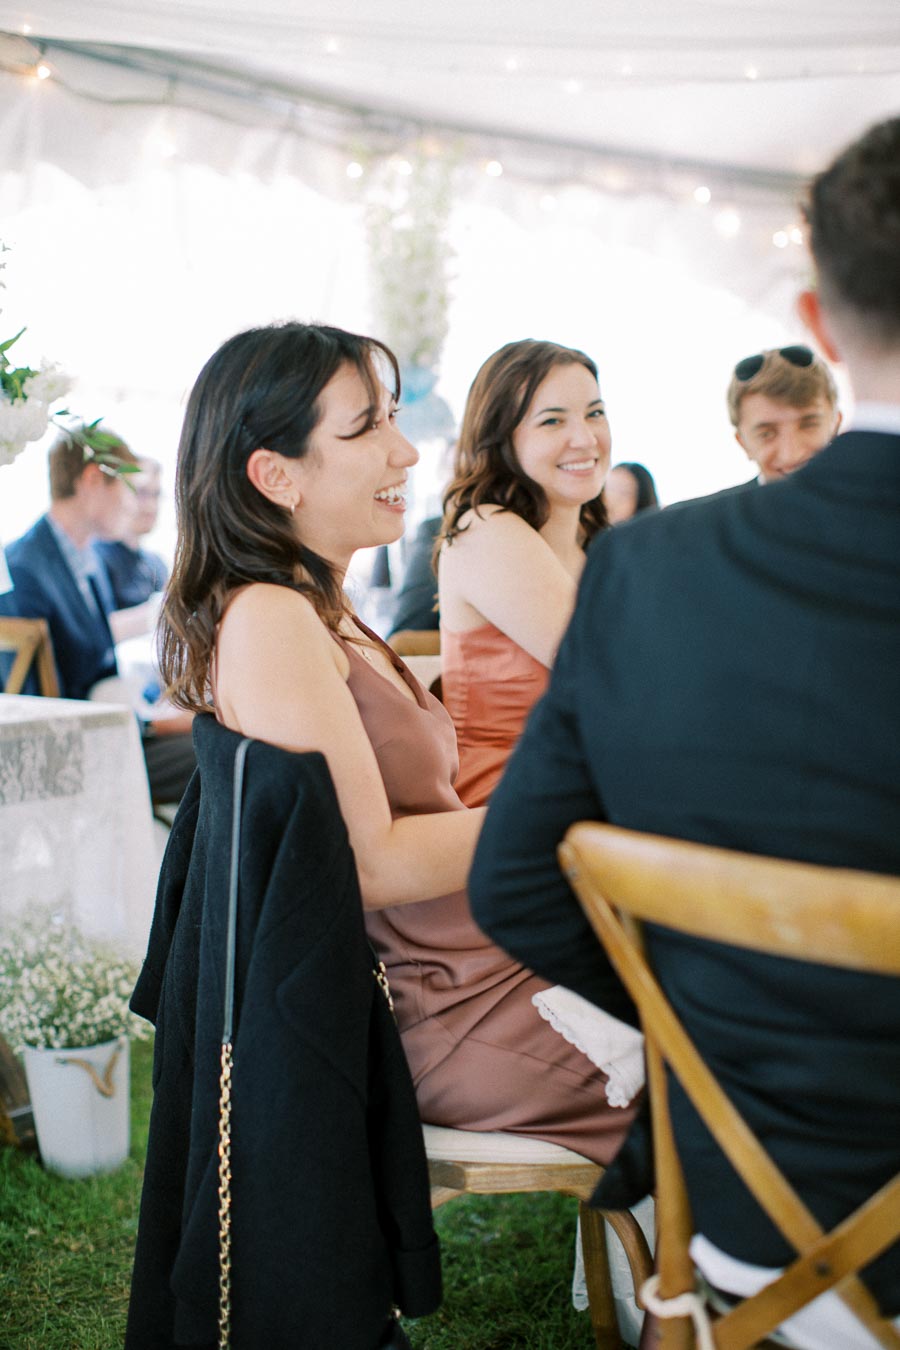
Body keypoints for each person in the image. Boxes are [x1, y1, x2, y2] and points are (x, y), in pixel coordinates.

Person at [469, 117, 900, 1346]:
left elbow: (516, 878)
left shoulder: (648, 571)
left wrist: (706, 1033)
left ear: (821, 324)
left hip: (746, 1225)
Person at [158, 320, 634, 1171]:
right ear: (275, 476)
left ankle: (692, 1289)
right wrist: (576, 809)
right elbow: (368, 863)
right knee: (734, 1070)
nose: (407, 453)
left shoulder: (322, 609)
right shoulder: (270, 620)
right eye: (367, 428)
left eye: (393, 419)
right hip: (443, 1009)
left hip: (483, 963)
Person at [437, 338, 611, 810]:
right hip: (511, 802)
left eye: (594, 413)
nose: (586, 437)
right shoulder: (482, 529)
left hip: (592, 785)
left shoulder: (595, 541)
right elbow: (615, 672)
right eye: (553, 421)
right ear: (501, 438)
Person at [0, 425, 195, 804]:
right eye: (128, 488)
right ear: (92, 479)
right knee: (222, 757)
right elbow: (34, 705)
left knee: (222, 745)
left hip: (108, 730)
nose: (135, 505)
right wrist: (155, 725)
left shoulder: (89, 561)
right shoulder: (21, 569)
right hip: (68, 753)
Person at [727, 343, 841, 483]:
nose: (791, 455)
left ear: (836, 425)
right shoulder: (718, 506)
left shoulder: (872, 500)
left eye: (808, 425)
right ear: (743, 444)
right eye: (766, 434)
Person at [96, 455, 169, 609]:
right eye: (142, 493)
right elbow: (98, 627)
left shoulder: (157, 565)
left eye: (156, 494)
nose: (151, 506)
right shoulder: (95, 559)